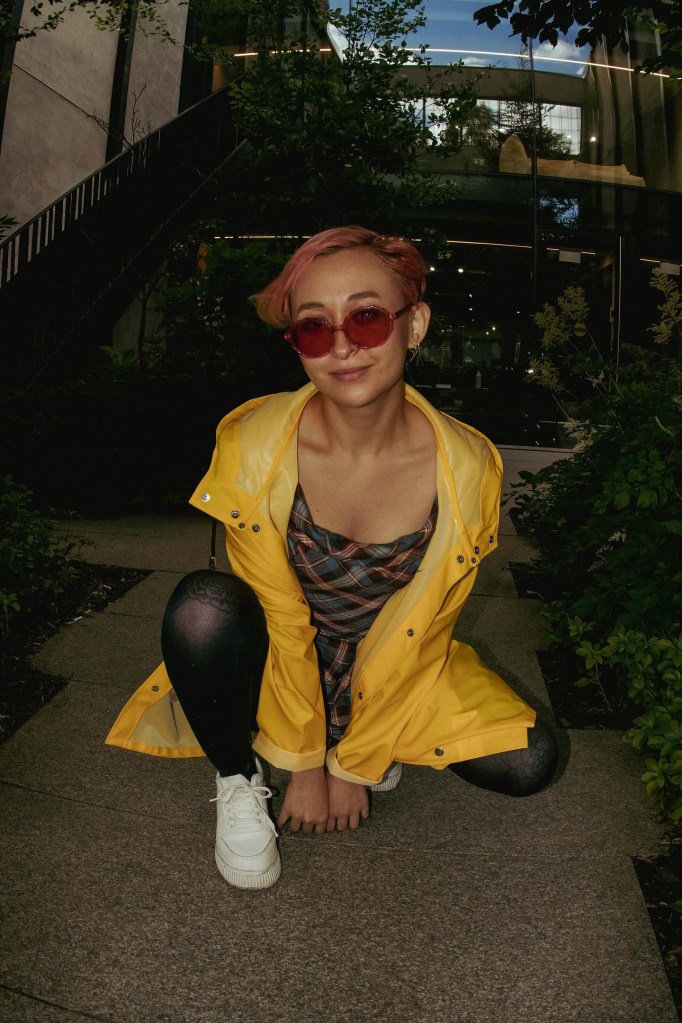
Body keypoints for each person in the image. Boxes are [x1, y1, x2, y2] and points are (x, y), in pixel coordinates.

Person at [106, 226, 558, 891]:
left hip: (393, 664)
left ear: (415, 325)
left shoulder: (467, 466)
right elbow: (282, 619)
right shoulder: (256, 444)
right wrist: (306, 766)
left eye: (367, 317)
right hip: (278, 662)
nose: (342, 345)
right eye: (314, 328)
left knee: (531, 759)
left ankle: (369, 737)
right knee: (203, 609)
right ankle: (240, 776)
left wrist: (354, 766)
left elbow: (427, 631)